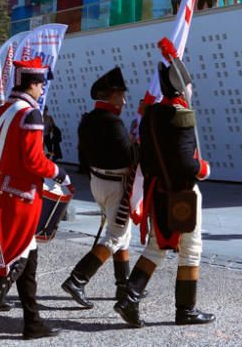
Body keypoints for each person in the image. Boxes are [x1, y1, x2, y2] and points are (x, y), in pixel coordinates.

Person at [0, 58, 66, 346]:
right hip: (21, 197)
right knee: (15, 261)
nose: (42, 88)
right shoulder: (30, 115)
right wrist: (59, 172)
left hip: (1, 190)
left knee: (27, 258)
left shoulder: (1, 110)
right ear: (32, 83)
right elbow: (34, 161)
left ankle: (32, 320)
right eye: (41, 83)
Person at [115, 56, 214, 328]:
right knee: (191, 250)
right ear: (182, 90)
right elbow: (185, 162)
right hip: (180, 192)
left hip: (157, 189)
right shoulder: (181, 115)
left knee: (157, 246)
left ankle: (129, 298)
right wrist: (202, 168)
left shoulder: (151, 115)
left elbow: (146, 158)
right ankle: (186, 310)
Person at [61, 66, 138, 308]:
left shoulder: (88, 120)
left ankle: (123, 285)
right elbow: (129, 157)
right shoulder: (112, 122)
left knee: (124, 235)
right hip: (116, 184)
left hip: (98, 181)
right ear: (113, 95)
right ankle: (78, 279)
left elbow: (82, 155)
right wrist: (139, 141)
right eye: (121, 95)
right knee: (115, 236)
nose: (124, 100)